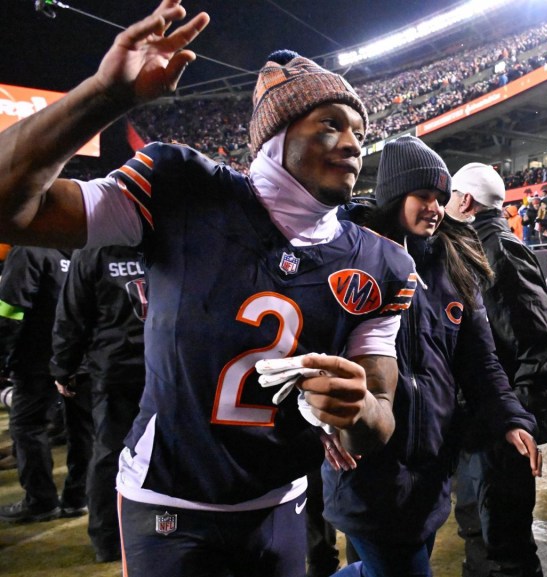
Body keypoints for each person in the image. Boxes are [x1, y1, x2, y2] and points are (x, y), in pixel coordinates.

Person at [0, 4, 418, 575]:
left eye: (360, 132)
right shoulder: (185, 188)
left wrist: (359, 408)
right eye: (330, 123)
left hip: (281, 502)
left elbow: (380, 423)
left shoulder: (381, 261)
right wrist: (104, 95)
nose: (353, 144)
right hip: (168, 502)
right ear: (275, 135)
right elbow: (11, 207)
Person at [323, 136, 540, 577]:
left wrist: (511, 417)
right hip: (367, 466)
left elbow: (480, 363)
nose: (436, 208)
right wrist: (319, 421)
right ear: (394, 194)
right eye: (423, 195)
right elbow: (313, 351)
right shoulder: (346, 256)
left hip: (430, 470)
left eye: (441, 198)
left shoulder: (453, 263)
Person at [446, 162, 547, 577]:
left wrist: (519, 420)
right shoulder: (480, 244)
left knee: (502, 544)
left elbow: (541, 337)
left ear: (464, 201)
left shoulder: (498, 249)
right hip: (486, 420)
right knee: (479, 533)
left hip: (501, 427)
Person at [49, 246, 146, 563]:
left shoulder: (92, 251)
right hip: (162, 365)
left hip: (114, 368)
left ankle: (108, 540)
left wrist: (64, 367)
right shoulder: (160, 238)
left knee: (109, 454)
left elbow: (72, 314)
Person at [0, 246, 91, 524]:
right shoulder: (80, 250)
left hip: (36, 359)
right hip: (80, 356)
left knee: (27, 426)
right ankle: (79, 497)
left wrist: (1, 356)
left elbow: (10, 311)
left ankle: (40, 501)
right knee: (82, 428)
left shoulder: (27, 252)